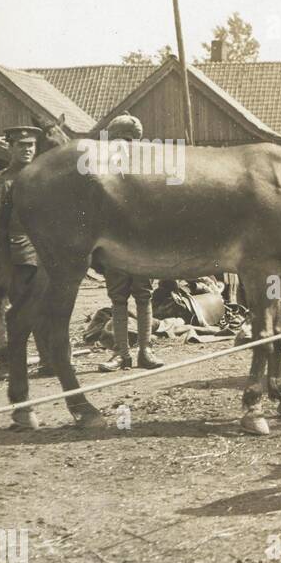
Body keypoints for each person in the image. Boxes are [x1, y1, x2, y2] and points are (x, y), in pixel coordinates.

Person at [0, 125, 52, 384]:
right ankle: (7, 362)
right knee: (15, 309)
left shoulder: (45, 178)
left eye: (31, 146)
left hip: (44, 253)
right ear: (10, 148)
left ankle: (49, 359)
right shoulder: (1, 181)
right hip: (16, 254)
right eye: (21, 146)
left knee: (45, 306)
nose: (27, 150)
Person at [97, 114, 164, 372]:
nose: (124, 146)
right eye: (119, 140)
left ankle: (146, 350)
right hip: (114, 243)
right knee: (118, 298)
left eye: (130, 140)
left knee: (144, 295)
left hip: (142, 244)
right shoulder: (102, 172)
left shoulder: (150, 171)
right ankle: (121, 353)